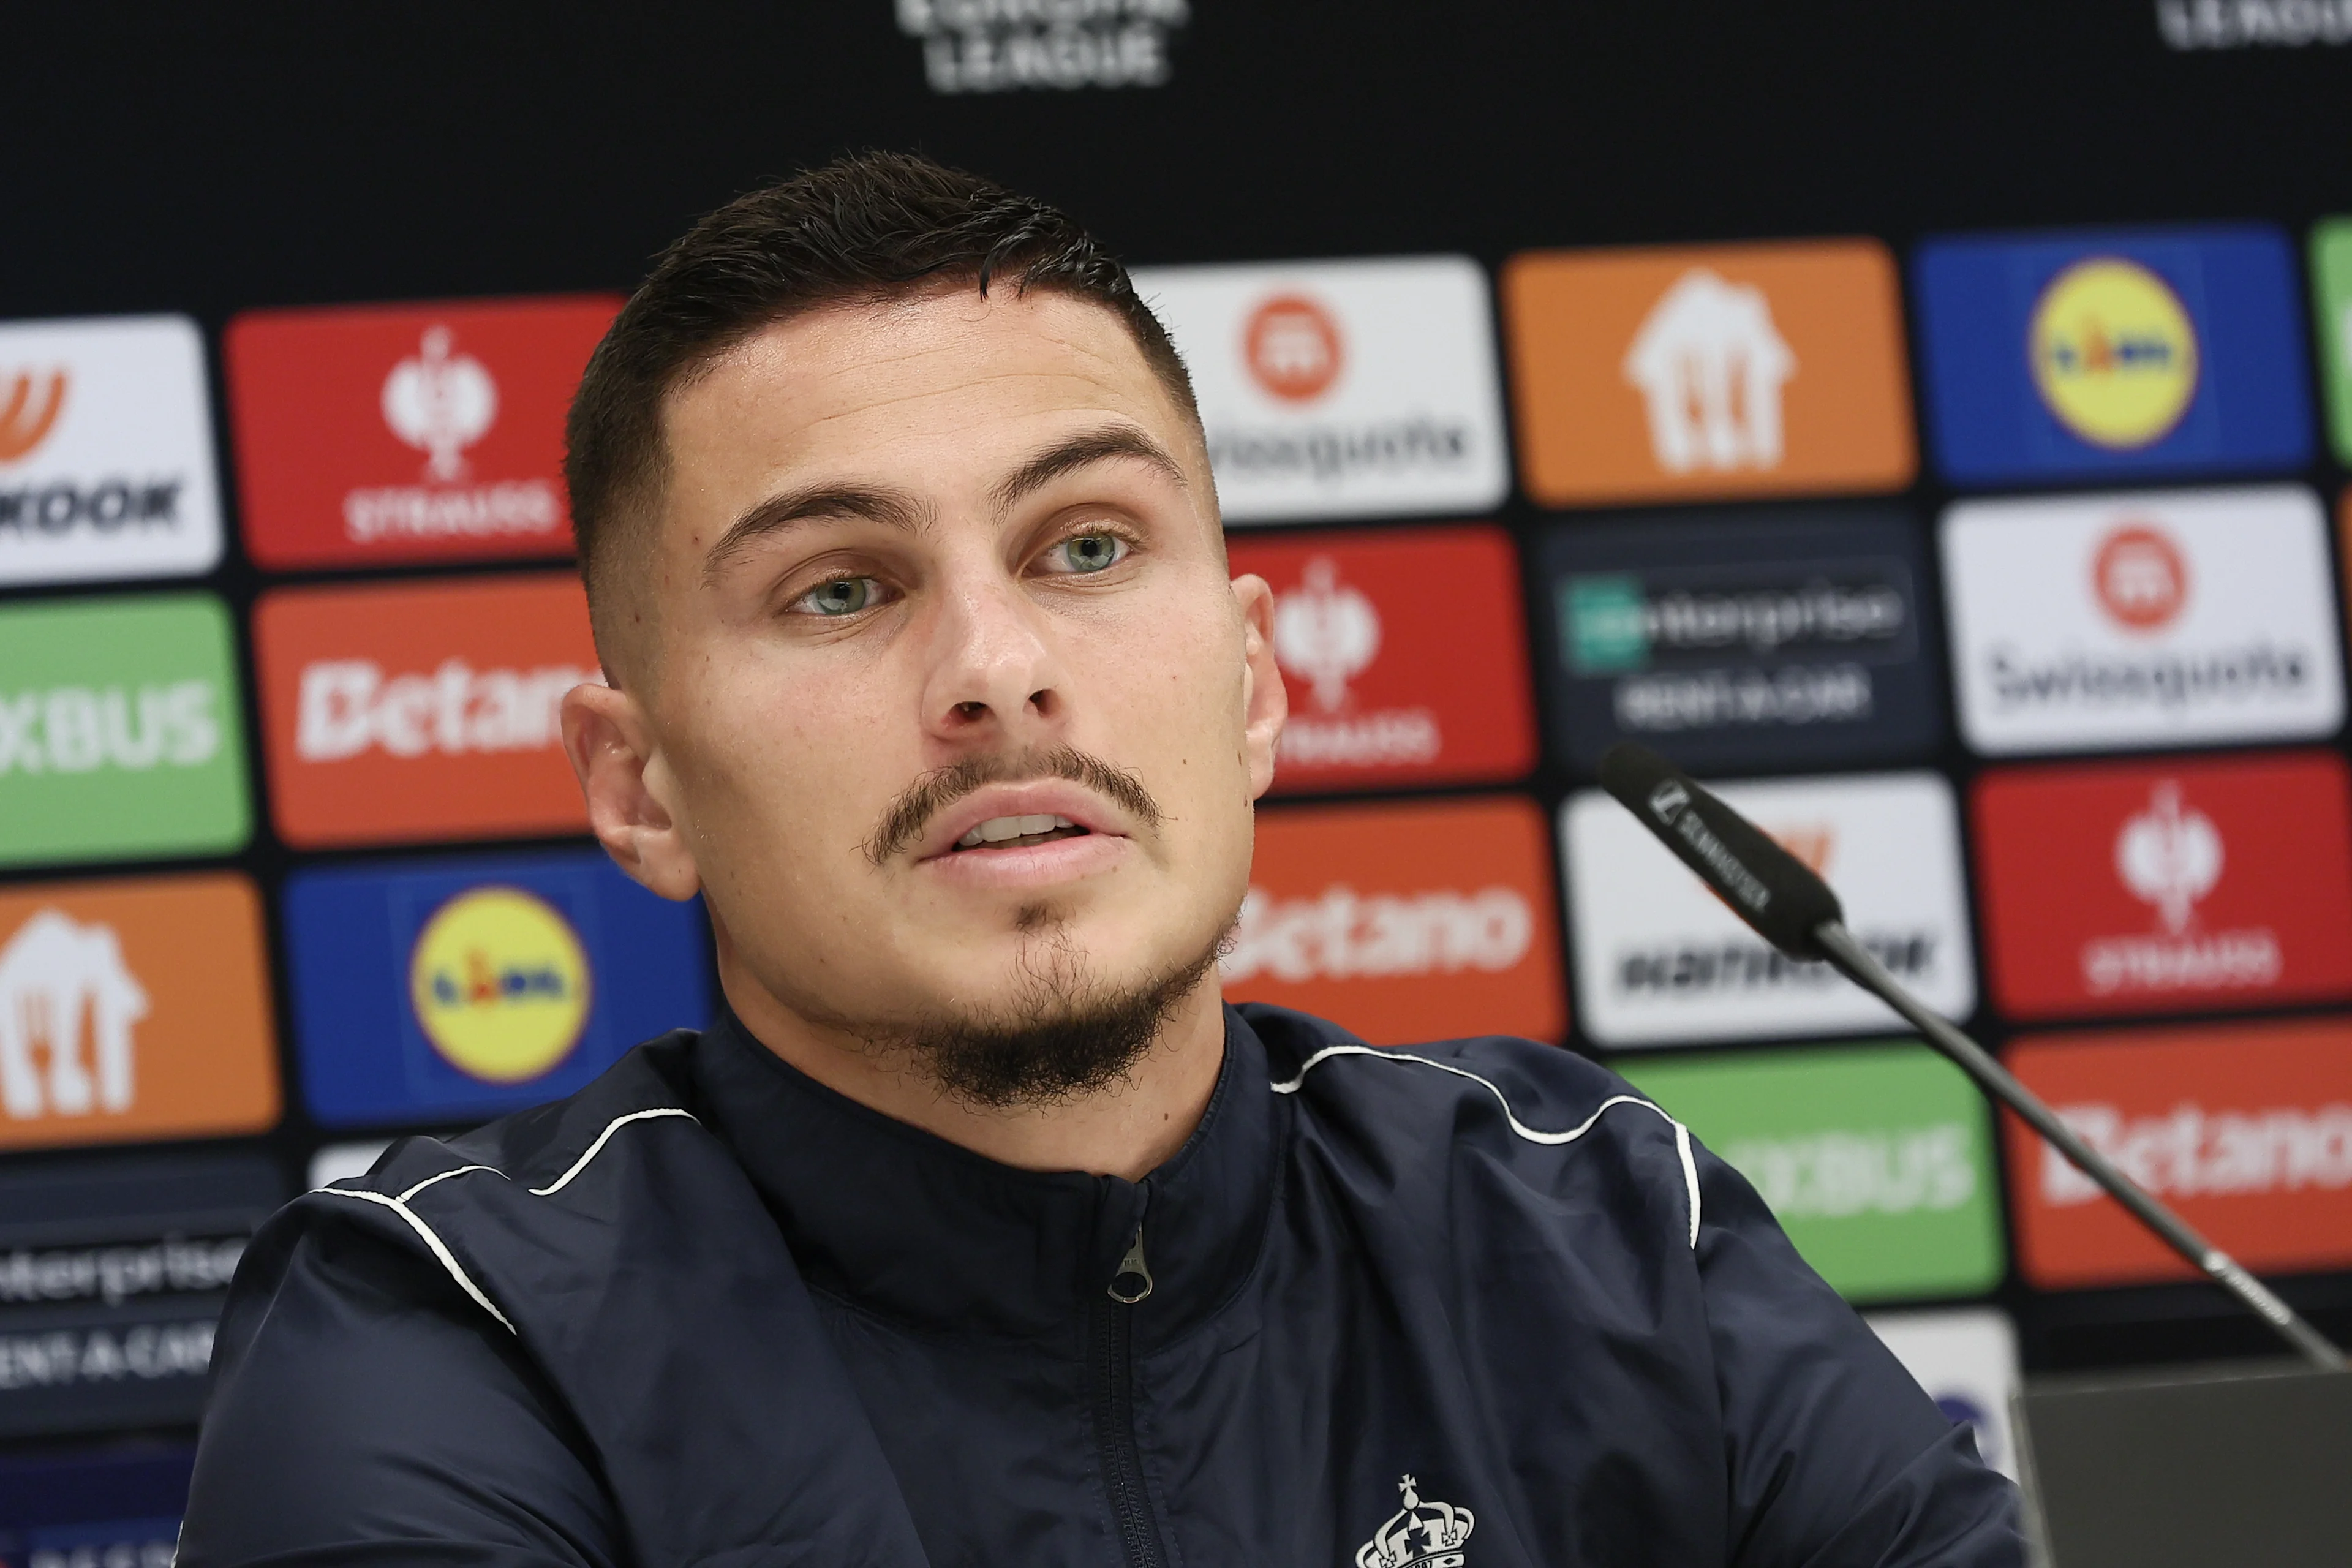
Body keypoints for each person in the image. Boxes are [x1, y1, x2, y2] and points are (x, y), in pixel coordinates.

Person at [179, 152, 2020, 1567]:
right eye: (840, 588)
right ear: (641, 786)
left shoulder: (1594, 1232)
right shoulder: (459, 1337)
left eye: (1083, 548)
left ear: (1254, 686)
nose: (995, 670)